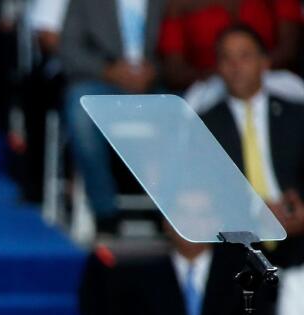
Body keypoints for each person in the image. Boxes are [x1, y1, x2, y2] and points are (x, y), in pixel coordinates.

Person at [200, 23, 304, 266]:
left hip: (299, 237)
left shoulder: (297, 116)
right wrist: (254, 214)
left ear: (265, 62)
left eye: (244, 56)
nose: (236, 67)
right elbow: (206, 190)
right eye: (227, 58)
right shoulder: (204, 126)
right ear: (218, 68)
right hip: (237, 246)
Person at [61, 0, 168, 235]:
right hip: (102, 80)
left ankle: (170, 208)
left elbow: (179, 46)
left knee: (190, 112)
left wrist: (154, 71)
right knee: (80, 111)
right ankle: (104, 210)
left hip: (155, 83)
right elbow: (69, 48)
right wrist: (108, 71)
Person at [159, 0, 301, 91]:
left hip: (272, 80)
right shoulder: (179, 5)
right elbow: (174, 71)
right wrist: (222, 73)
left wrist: (251, 70)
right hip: (209, 87)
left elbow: (289, 49)